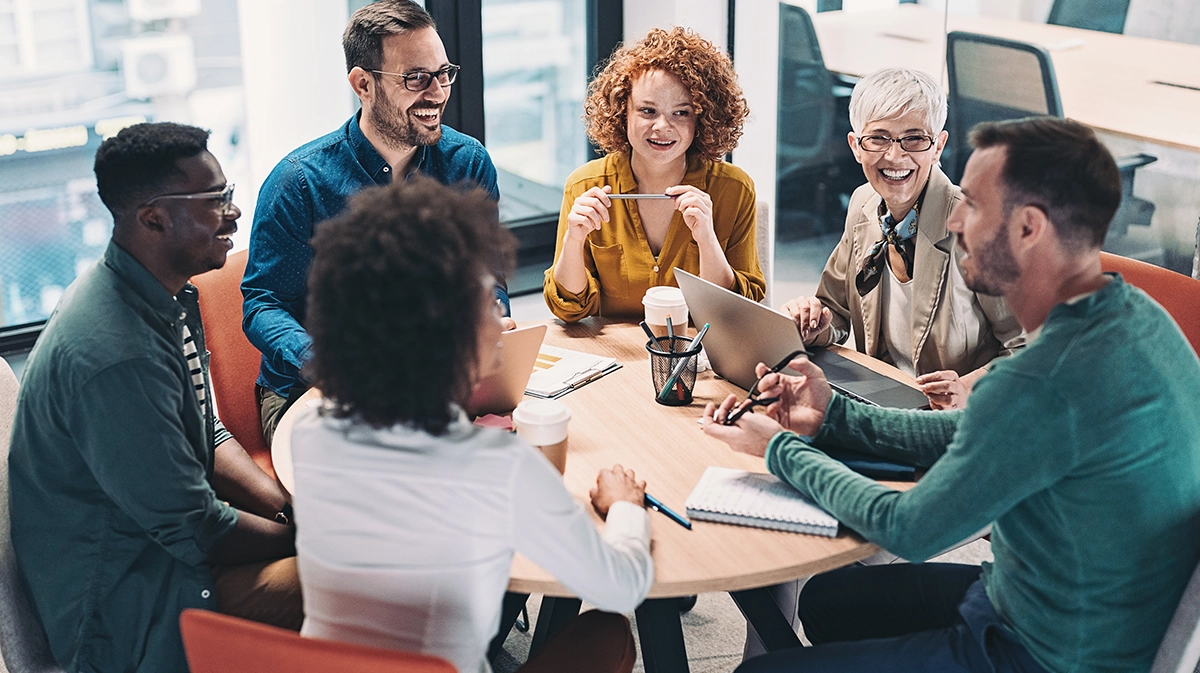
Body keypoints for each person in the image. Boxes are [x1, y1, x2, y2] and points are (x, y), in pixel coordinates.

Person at [702, 116, 1200, 673]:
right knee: (827, 602)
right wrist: (830, 415)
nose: (955, 218)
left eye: (974, 205)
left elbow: (909, 528)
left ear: (1028, 228)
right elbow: (975, 431)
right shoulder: (1139, 317)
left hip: (1040, 653)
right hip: (1053, 601)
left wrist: (779, 449)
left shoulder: (1039, 380)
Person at [290, 176, 654, 673]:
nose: (502, 321)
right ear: (443, 333)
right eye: (485, 304)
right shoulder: (497, 467)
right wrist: (625, 509)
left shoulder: (311, 434)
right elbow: (623, 584)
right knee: (608, 633)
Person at [7, 122, 302, 673]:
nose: (235, 213)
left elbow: (206, 435)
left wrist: (288, 507)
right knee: (369, 575)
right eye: (218, 200)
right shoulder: (117, 353)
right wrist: (307, 538)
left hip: (158, 555)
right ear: (153, 218)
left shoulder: (154, 295)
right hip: (127, 610)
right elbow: (198, 529)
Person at [243, 0, 508, 445]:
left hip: (433, 374)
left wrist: (493, 316)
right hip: (313, 390)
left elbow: (489, 277)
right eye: (417, 78)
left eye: (444, 74)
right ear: (363, 84)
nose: (439, 93)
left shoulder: (467, 163)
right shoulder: (299, 182)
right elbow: (262, 304)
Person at [780, 68, 1023, 410]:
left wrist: (970, 388)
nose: (895, 157)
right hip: (880, 403)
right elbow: (835, 311)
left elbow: (1033, 348)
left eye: (914, 138)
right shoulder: (863, 204)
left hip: (957, 422)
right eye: (878, 138)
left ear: (938, 146)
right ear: (856, 146)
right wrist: (810, 322)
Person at [543, 27, 765, 321]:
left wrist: (707, 239)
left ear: (703, 117)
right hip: (616, 358)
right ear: (622, 112)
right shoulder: (585, 186)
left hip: (698, 358)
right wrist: (574, 239)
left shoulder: (734, 189)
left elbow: (737, 312)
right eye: (647, 111)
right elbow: (569, 308)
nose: (662, 126)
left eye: (681, 113)